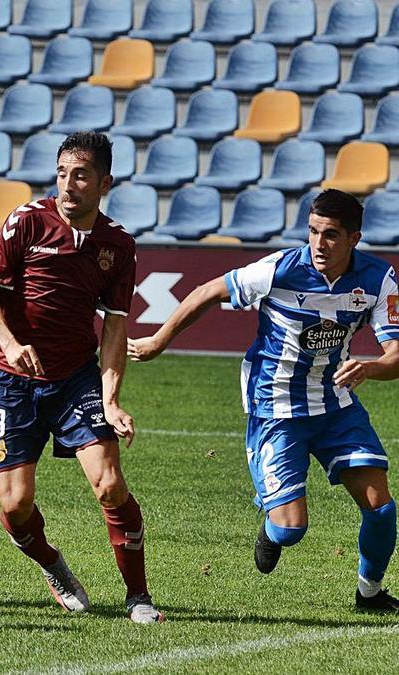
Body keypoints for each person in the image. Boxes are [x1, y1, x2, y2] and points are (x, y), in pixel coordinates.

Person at [128, 189, 399, 613]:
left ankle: (370, 593)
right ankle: (271, 528)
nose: (319, 244)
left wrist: (370, 367)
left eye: (330, 235)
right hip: (276, 406)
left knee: (381, 508)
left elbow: (396, 355)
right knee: (291, 530)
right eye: (312, 232)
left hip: (335, 406)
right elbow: (205, 291)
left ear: (354, 238)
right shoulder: (280, 268)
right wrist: (159, 342)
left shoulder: (379, 280)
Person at [0, 131, 162, 623]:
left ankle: (138, 597)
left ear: (103, 183)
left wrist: (111, 397)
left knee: (110, 484)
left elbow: (115, 324)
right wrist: (12, 344)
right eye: (61, 174)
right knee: (15, 507)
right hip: (9, 379)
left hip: (75, 378)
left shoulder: (117, 245)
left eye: (80, 176)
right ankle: (52, 563)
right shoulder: (27, 222)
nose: (68, 185)